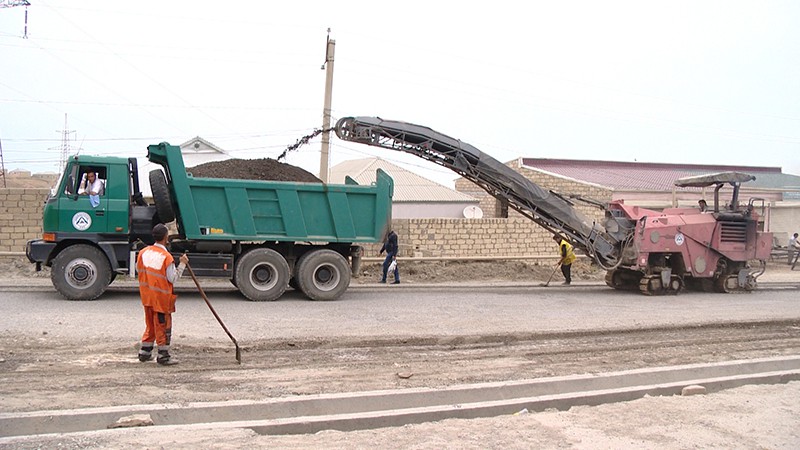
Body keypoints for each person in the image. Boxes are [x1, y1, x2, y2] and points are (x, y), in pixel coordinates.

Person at [136, 223, 189, 365]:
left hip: (147, 297)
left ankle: (145, 352)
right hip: (161, 299)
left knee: (150, 325)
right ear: (166, 238)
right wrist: (182, 264)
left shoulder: (143, 253)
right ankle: (163, 356)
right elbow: (173, 278)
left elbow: (140, 271)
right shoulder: (166, 257)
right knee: (162, 327)